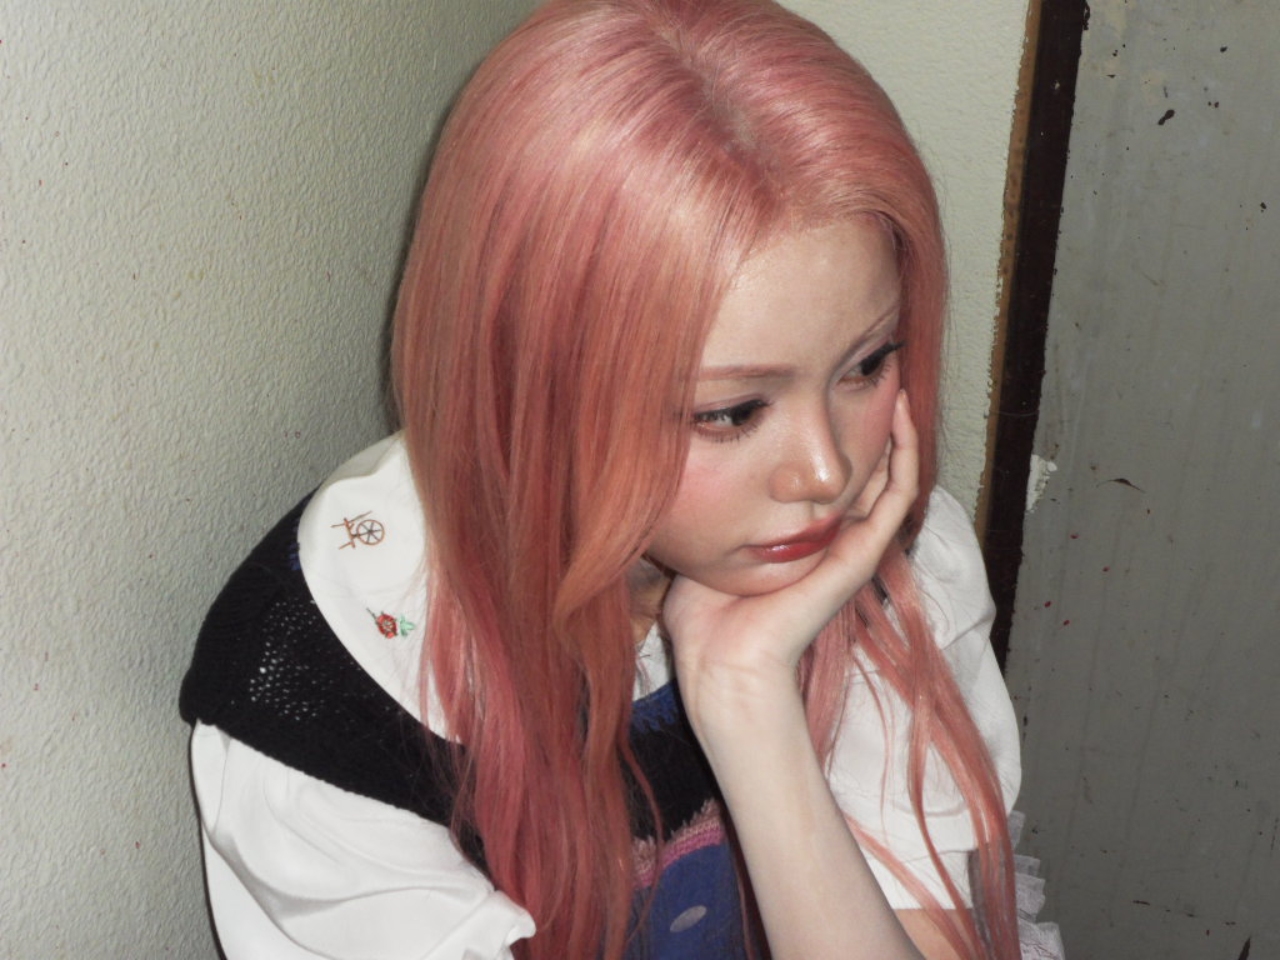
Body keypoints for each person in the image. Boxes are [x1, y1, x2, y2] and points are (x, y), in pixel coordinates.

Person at [181, 1, 1056, 957]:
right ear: (530, 380)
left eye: (867, 363)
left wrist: (745, 698)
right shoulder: (343, 676)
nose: (827, 470)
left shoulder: (873, 547)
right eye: (729, 412)